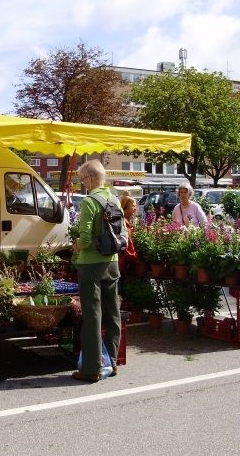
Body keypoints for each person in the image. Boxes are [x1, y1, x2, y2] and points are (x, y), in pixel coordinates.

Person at [71, 160, 125, 382]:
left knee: (93, 315)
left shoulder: (89, 202)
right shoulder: (115, 200)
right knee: (113, 314)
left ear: (91, 178)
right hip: (112, 263)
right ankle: (111, 362)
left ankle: (92, 368)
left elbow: (84, 239)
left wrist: (76, 245)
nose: (82, 183)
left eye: (83, 179)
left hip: (91, 266)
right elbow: (122, 233)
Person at [118, 196, 138, 274]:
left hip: (124, 262)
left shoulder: (128, 221)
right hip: (122, 263)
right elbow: (126, 244)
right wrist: (135, 256)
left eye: (135, 206)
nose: (135, 208)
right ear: (125, 206)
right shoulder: (123, 222)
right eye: (133, 206)